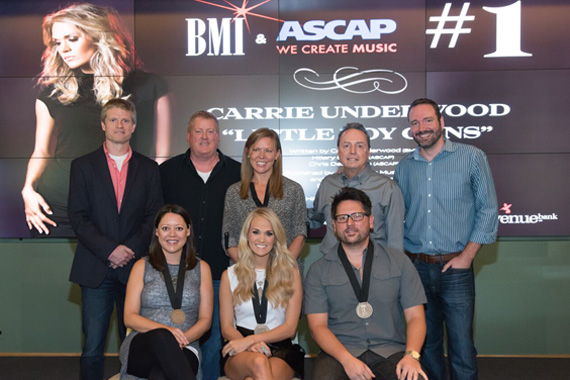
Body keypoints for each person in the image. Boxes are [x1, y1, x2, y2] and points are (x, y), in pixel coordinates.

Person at [22, 3, 171, 237]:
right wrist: (28, 190)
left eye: (71, 38)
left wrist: (148, 206)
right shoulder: (53, 93)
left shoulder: (147, 86)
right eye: (57, 42)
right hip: (58, 207)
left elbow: (162, 157)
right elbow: (41, 150)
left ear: (96, 35)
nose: (64, 49)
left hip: (124, 209)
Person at [394, 98, 498, 380]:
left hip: (457, 269)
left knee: (462, 347)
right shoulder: (404, 168)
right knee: (425, 347)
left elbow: (488, 209)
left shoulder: (472, 157)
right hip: (416, 269)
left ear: (441, 122)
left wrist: (467, 257)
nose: (421, 128)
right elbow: (395, 218)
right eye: (414, 123)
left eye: (427, 120)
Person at [68, 98, 163, 380]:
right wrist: (111, 250)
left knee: (134, 345)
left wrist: (129, 249)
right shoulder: (82, 166)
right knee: (93, 347)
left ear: (133, 126)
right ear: (103, 124)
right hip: (96, 268)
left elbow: (153, 216)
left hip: (134, 270)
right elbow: (78, 217)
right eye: (113, 119)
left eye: (125, 120)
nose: (119, 125)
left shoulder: (149, 168)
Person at [304, 187, 428, 380]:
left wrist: (412, 355)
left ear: (371, 221)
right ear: (334, 226)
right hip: (339, 354)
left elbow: (415, 317)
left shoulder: (399, 262)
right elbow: (317, 327)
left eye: (357, 216)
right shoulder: (318, 271)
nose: (350, 223)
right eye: (343, 218)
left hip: (391, 352)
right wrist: (347, 360)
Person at [160, 110, 240, 380]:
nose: (204, 137)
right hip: (176, 273)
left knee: (215, 341)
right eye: (198, 131)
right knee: (178, 339)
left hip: (221, 273)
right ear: (188, 135)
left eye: (210, 132)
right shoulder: (167, 172)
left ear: (218, 136)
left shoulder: (238, 174)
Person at [119, 204, 214, 380]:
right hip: (142, 344)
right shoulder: (141, 266)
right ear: (156, 232)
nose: (172, 234)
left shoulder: (203, 268)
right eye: (165, 228)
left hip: (187, 344)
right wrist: (167, 332)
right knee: (161, 336)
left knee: (160, 375)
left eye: (178, 228)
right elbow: (129, 317)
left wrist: (180, 340)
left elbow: (205, 320)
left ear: (188, 231)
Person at [220, 208, 304, 380]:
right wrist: (248, 344)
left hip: (281, 350)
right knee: (258, 362)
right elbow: (227, 327)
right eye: (256, 232)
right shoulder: (229, 275)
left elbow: (290, 328)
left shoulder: (291, 273)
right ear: (247, 235)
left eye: (268, 233)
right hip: (241, 349)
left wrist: (253, 340)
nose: (261, 239)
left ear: (276, 238)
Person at [309, 122, 405, 253]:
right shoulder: (327, 184)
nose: (352, 151)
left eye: (359, 146)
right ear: (338, 151)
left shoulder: (388, 189)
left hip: (373, 269)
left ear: (368, 152)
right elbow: (314, 219)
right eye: (346, 146)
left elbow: (395, 245)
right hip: (331, 267)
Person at [222, 128, 306, 265]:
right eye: (256, 150)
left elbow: (300, 235)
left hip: (285, 275)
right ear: (248, 152)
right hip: (246, 276)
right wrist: (252, 271)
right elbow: (229, 239)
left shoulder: (293, 190)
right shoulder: (234, 192)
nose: (262, 156)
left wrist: (279, 269)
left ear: (277, 154)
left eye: (268, 150)